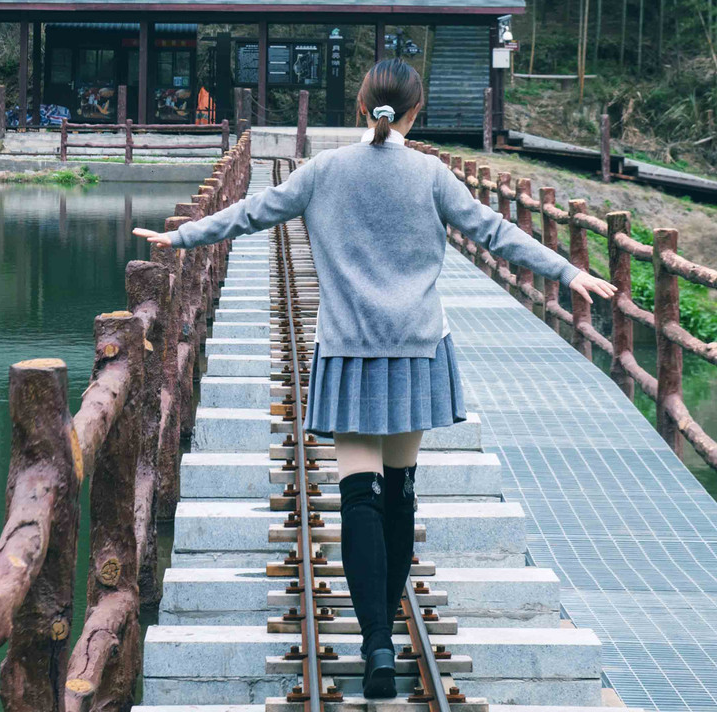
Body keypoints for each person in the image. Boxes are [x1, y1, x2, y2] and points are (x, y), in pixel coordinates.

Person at [134, 58, 615, 697]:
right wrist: (566, 272)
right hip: (417, 354)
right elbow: (496, 233)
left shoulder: (324, 171)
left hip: (349, 353)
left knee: (357, 499)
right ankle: (386, 631)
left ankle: (376, 647)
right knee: (399, 491)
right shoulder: (431, 174)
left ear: (363, 107)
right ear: (417, 113)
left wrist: (183, 238)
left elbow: (252, 213)